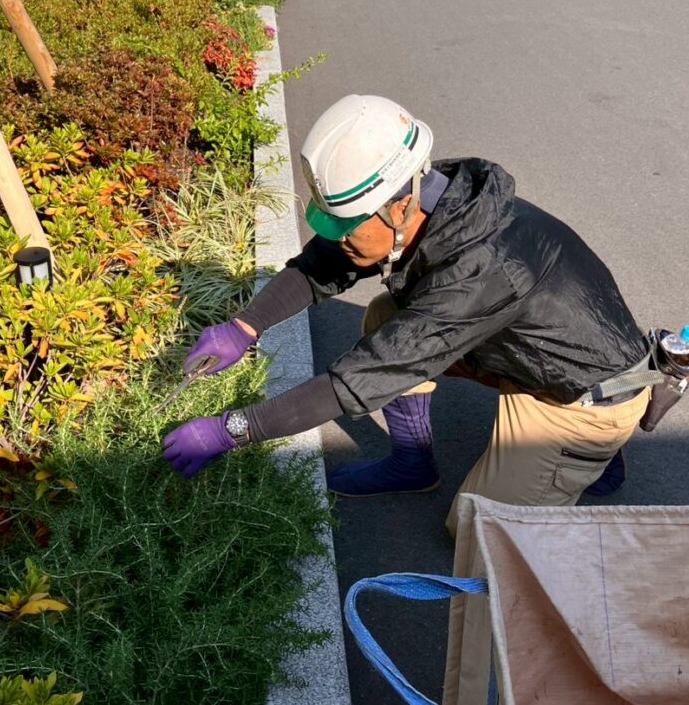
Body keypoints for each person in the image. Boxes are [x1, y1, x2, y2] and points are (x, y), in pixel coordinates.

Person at [162, 94, 654, 534]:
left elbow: (360, 377)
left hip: (582, 399)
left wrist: (229, 431)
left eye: (346, 225)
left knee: (478, 534)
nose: (336, 237)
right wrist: (243, 327)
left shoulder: (482, 271)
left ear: (397, 208)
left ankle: (588, 455)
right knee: (386, 314)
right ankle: (412, 464)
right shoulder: (428, 199)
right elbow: (325, 264)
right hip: (531, 347)